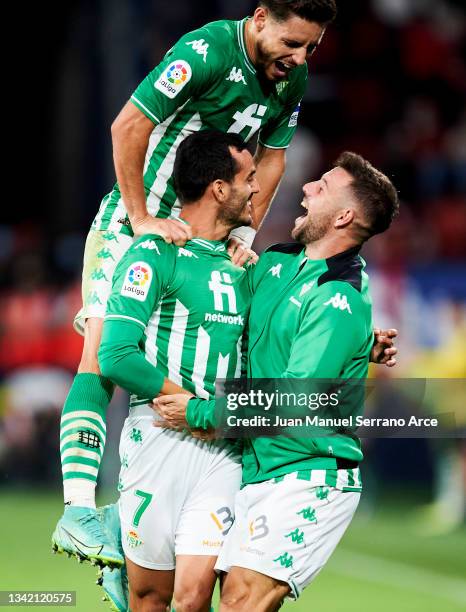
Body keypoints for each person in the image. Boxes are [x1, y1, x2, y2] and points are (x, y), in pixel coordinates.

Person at [52, 0, 338, 566]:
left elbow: (273, 159)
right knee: (102, 355)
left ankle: (140, 544)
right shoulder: (205, 51)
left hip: (207, 236)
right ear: (260, 19)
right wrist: (139, 219)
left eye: (311, 48)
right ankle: (79, 511)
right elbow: (128, 124)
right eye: (292, 43)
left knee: (196, 365)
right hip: (141, 223)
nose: (300, 58)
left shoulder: (291, 77)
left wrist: (248, 234)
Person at [154, 151, 400, 610]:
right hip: (257, 467)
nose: (306, 189)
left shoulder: (339, 297)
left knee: (240, 600)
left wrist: (198, 412)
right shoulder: (276, 263)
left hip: (308, 474)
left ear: (344, 216)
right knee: (201, 596)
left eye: (322, 187)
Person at [98, 130, 258, 611]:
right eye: (249, 178)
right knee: (148, 597)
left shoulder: (250, 267)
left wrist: (207, 413)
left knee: (192, 598)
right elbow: (116, 355)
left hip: (221, 445)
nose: (256, 188)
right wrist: (185, 405)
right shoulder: (154, 254)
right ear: (219, 188)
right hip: (159, 437)